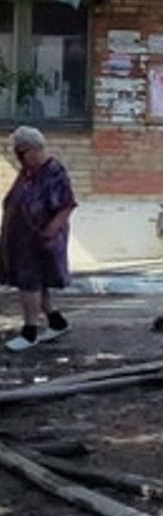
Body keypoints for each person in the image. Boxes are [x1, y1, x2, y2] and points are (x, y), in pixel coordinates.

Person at [3, 126, 76, 352]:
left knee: (30, 282)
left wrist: (49, 231)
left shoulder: (53, 171)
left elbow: (66, 205)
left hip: (39, 236)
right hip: (21, 237)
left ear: (36, 148)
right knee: (36, 283)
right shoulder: (27, 172)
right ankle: (56, 322)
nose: (19, 158)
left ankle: (30, 332)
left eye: (22, 153)